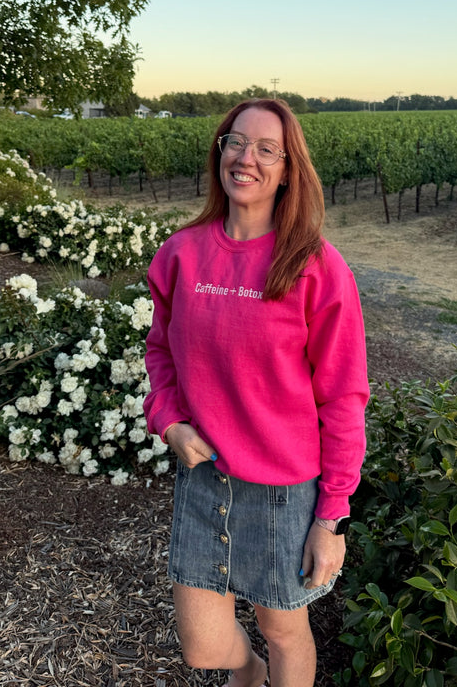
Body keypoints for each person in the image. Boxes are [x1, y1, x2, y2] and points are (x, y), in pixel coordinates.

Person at [143, 98, 369, 687]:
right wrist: (168, 419)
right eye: (236, 142)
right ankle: (248, 678)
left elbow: (343, 399)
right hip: (204, 479)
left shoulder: (315, 267)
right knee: (203, 647)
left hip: (282, 495)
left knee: (284, 631)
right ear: (219, 150)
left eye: (268, 149)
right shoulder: (181, 254)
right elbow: (160, 349)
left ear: (289, 168)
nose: (247, 158)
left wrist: (332, 517)